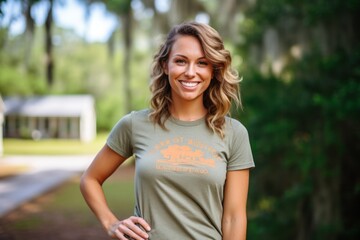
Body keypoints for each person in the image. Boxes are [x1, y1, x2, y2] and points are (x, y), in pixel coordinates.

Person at [80, 21, 255, 240]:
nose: (191, 72)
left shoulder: (233, 133)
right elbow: (90, 179)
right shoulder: (135, 125)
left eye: (202, 63)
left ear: (214, 69)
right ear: (165, 65)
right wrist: (111, 223)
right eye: (181, 61)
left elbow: (234, 217)